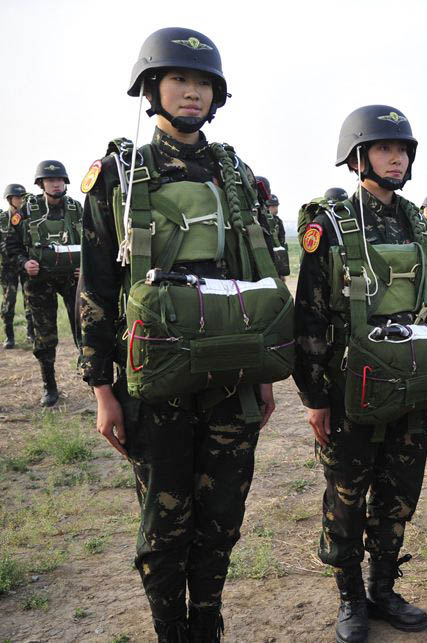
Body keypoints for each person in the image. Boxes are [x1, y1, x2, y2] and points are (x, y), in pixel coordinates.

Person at [80, 27, 281, 641]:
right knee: (164, 520)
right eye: (179, 80)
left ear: (216, 96)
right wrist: (102, 388)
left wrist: (265, 374)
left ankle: (207, 622)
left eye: (203, 83)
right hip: (154, 378)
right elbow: (94, 283)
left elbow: (254, 270)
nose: (191, 92)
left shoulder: (233, 171)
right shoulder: (120, 170)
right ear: (152, 87)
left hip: (229, 373)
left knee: (221, 515)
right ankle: (170, 627)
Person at [295, 105, 427, 642]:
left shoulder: (417, 224)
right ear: (358, 156)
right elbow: (310, 315)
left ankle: (384, 589)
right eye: (385, 148)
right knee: (346, 495)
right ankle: (350, 597)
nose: (397, 158)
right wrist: (315, 396)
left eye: (403, 149)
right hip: (349, 388)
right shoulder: (331, 223)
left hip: (410, 382)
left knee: (398, 494)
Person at [5, 161, 82, 406]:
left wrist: (87, 268)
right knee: (45, 336)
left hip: (73, 279)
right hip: (39, 280)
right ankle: (50, 386)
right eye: (50, 180)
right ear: (41, 184)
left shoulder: (76, 208)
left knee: (85, 330)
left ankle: (93, 381)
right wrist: (24, 262)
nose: (56, 184)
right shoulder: (26, 210)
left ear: (66, 182)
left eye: (60, 180)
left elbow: (94, 241)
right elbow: (10, 244)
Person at [1, 183, 33, 348]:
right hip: (7, 266)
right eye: (17, 197)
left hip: (25, 263)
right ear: (9, 199)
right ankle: (9, 336)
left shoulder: (28, 217)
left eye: (22, 197)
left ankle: (31, 334)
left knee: (30, 299)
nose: (21, 200)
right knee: (9, 300)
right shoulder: (2, 219)